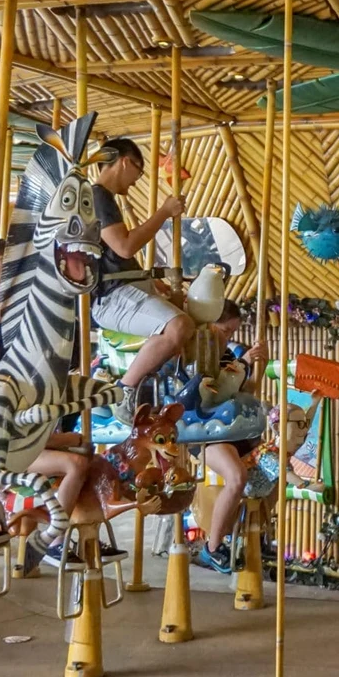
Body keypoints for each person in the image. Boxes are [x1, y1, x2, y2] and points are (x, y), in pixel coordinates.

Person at [90, 137, 194, 423]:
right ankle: (124, 390)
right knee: (178, 325)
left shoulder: (104, 199)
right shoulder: (97, 196)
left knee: (184, 312)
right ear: (126, 162)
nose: (137, 180)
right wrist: (164, 212)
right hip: (112, 295)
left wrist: (149, 280)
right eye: (139, 170)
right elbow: (124, 246)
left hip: (124, 287)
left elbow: (117, 255)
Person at [180, 297, 266, 575]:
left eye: (231, 332)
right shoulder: (197, 353)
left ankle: (241, 531)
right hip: (204, 430)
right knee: (237, 476)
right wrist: (242, 362)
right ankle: (212, 547)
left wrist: (258, 365)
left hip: (231, 427)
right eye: (225, 330)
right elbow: (214, 390)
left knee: (263, 471)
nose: (228, 337)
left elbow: (247, 390)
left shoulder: (227, 354)